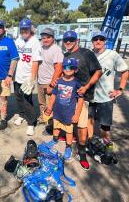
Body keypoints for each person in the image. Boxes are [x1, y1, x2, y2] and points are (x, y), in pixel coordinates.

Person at [63, 30, 102, 170]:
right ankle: (69, 142)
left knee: (82, 126)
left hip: (83, 96)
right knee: (70, 121)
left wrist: (86, 87)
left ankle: (82, 152)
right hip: (69, 95)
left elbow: (98, 71)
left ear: (77, 40)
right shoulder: (65, 55)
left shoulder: (87, 53)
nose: (68, 42)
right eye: (66, 40)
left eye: (71, 39)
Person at [88, 31, 129, 149]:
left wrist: (120, 89)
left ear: (105, 41)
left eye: (101, 39)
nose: (98, 41)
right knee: (89, 120)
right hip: (90, 95)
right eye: (95, 39)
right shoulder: (89, 55)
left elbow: (125, 71)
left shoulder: (112, 54)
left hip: (106, 96)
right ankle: (90, 142)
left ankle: (107, 145)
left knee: (105, 124)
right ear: (92, 41)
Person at [44, 58, 84, 162]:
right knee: (56, 126)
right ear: (62, 68)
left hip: (68, 113)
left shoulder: (77, 83)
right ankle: (54, 140)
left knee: (68, 131)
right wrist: (49, 107)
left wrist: (77, 114)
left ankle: (69, 147)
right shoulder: (59, 81)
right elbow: (53, 95)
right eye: (66, 67)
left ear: (75, 70)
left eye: (71, 67)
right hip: (57, 111)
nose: (68, 69)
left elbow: (80, 99)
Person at [13, 19, 42, 135]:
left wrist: (32, 79)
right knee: (19, 98)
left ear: (30, 29)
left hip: (27, 77)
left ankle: (31, 123)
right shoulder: (18, 40)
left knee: (27, 101)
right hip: (18, 76)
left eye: (26, 28)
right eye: (22, 29)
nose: (24, 31)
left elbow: (36, 61)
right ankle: (22, 115)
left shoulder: (35, 42)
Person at [37, 28, 63, 124]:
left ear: (53, 38)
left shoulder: (56, 50)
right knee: (42, 103)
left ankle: (51, 124)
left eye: (48, 37)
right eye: (43, 38)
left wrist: (52, 85)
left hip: (50, 82)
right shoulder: (41, 47)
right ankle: (43, 119)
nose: (46, 40)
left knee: (50, 105)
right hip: (40, 81)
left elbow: (59, 68)